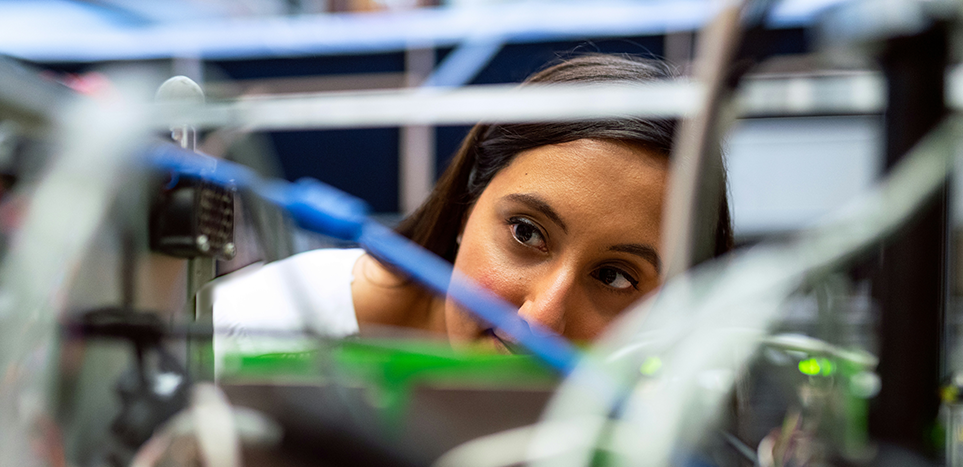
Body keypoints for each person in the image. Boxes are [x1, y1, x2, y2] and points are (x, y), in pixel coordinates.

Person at [213, 53, 732, 354]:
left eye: (615, 276)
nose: (539, 319)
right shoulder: (250, 333)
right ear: (467, 206)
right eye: (526, 233)